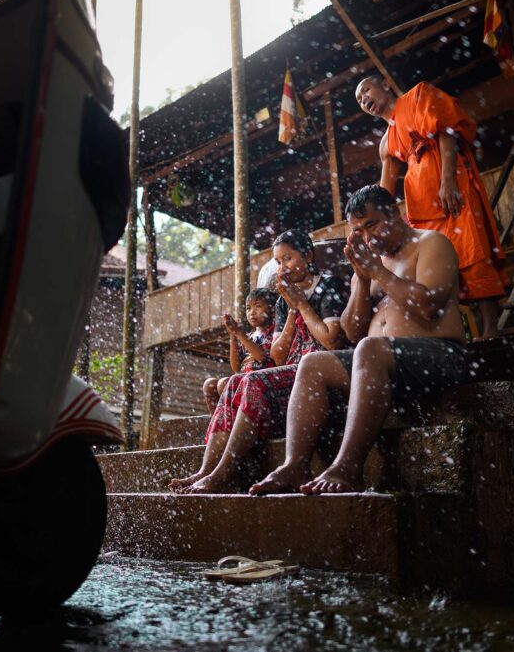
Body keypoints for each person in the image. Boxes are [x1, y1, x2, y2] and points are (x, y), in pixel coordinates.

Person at [250, 185, 468, 496]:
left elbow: (428, 306)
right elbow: (353, 332)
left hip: (440, 356)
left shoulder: (431, 244)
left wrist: (378, 271)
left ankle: (348, 466)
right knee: (313, 364)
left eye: (372, 224)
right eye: (358, 229)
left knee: (369, 349)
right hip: (383, 366)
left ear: (393, 213)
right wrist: (363, 282)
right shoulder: (366, 267)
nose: (367, 236)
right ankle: (295, 464)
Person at [169, 230, 348, 494]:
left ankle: (223, 473)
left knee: (252, 379)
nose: (283, 267)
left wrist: (303, 305)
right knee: (233, 382)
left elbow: (332, 341)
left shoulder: (328, 285)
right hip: (289, 379)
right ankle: (206, 469)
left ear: (308, 255)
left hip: (319, 379)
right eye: (278, 262)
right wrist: (291, 309)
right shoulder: (283, 302)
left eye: (288, 258)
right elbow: (276, 358)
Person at [355, 75, 508, 338]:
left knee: (472, 253)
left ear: (385, 85)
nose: (364, 99)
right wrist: (364, 221)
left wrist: (448, 180)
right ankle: (467, 333)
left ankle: (491, 329)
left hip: (451, 190)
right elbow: (383, 193)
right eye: (359, 99)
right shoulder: (386, 143)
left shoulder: (418, 95)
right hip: (421, 206)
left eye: (366, 90)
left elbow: (446, 130)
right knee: (438, 267)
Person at [202, 288, 279, 413]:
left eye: (258, 306)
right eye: (248, 308)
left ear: (273, 310)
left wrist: (239, 333)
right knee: (210, 384)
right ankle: (218, 422)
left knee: (224, 384)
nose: (252, 312)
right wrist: (233, 336)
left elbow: (262, 357)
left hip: (260, 383)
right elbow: (236, 367)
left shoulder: (274, 333)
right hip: (241, 381)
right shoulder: (248, 336)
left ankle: (231, 424)